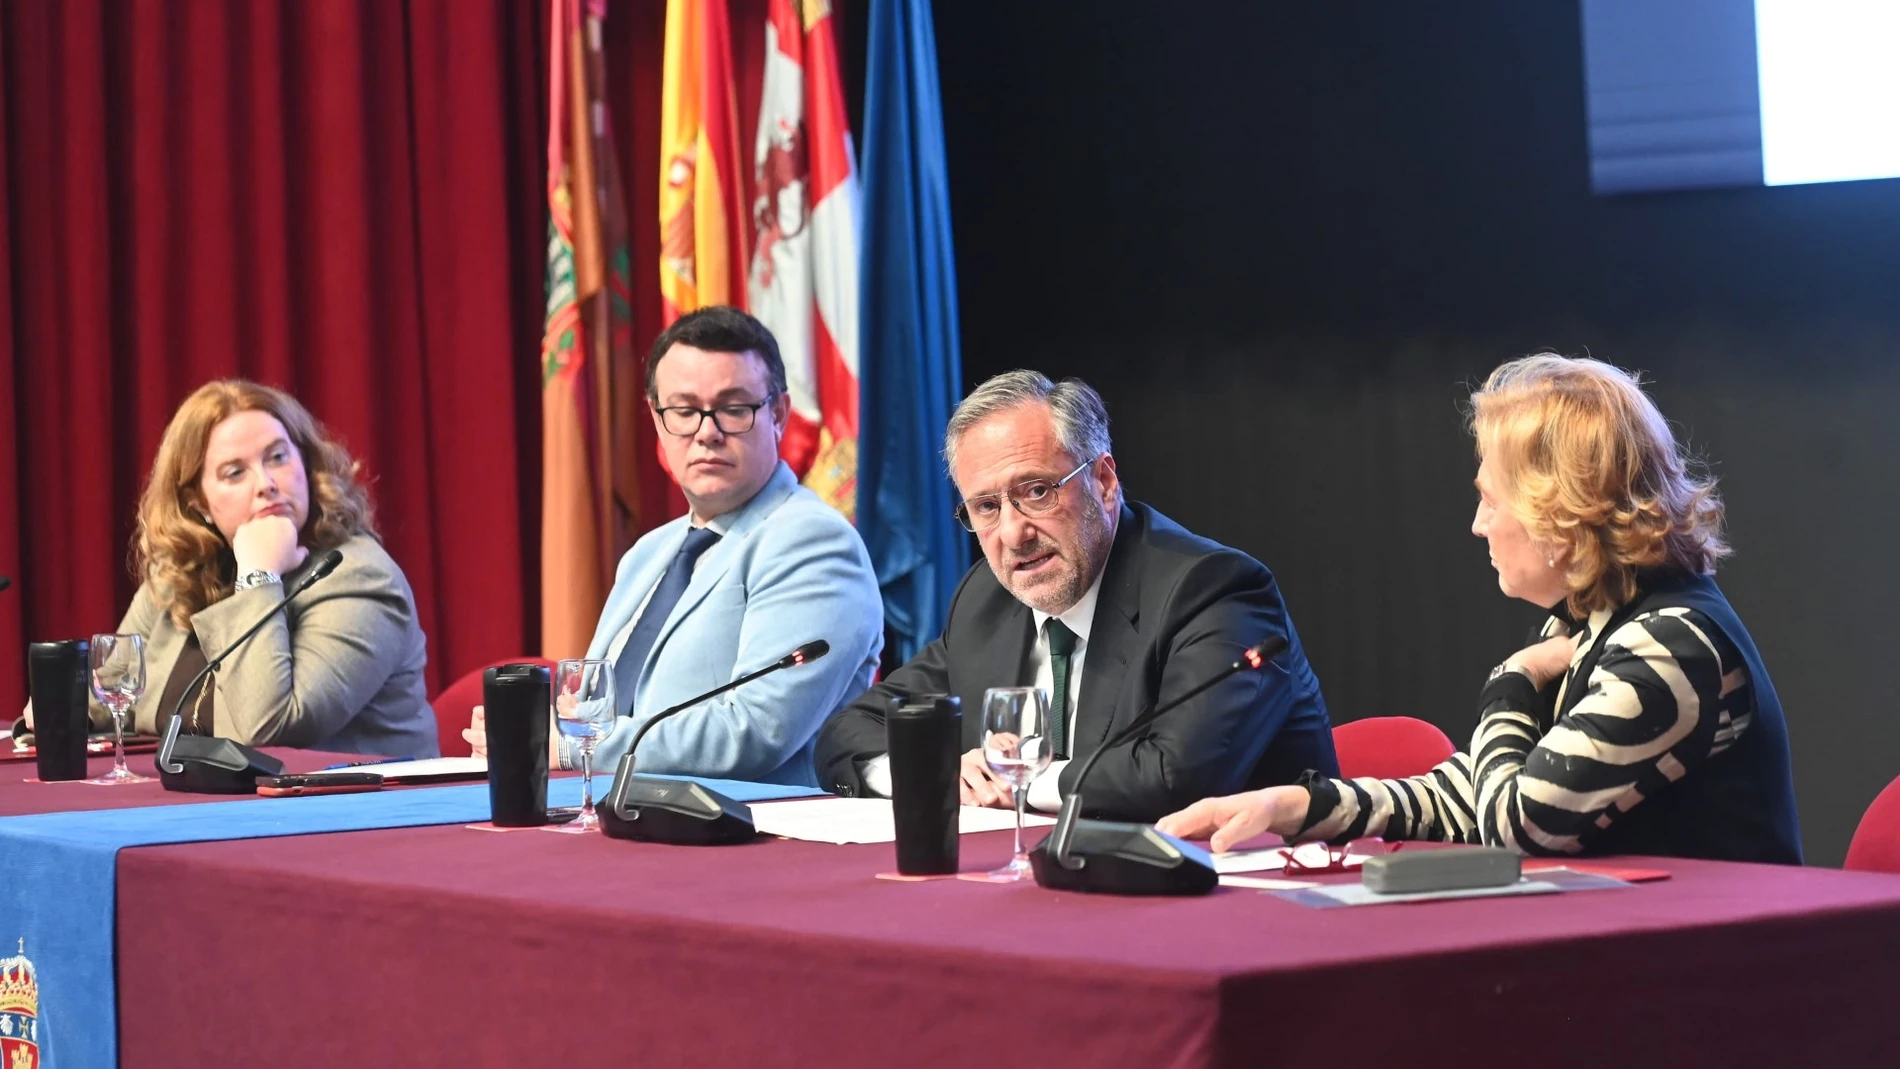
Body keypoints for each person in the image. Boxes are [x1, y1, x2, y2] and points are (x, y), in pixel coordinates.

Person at [1159, 354, 1802, 864]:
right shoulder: (1600, 624)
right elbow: (1471, 793)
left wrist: (1511, 685)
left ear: (1560, 512)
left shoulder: (1669, 646)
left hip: (1712, 989)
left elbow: (1517, 826)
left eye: (1491, 501)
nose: (1476, 525)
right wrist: (1292, 806)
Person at [813, 371, 1335, 822]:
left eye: (1037, 491)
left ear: (1104, 481)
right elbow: (848, 731)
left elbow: (1178, 778)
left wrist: (1016, 780)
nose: (1014, 533)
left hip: (1233, 899)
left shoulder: (1213, 591)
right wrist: (927, 772)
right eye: (987, 507)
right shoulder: (986, 601)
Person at [465, 307, 882, 786]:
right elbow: (596, 709)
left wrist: (563, 744)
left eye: (733, 408)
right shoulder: (649, 553)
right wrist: (543, 725)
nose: (707, 431)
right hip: (620, 820)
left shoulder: (812, 542)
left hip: (752, 837)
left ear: (779, 415)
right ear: (657, 420)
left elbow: (757, 730)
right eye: (684, 411)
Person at [16, 380, 436, 758]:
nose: (265, 483)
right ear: (198, 503)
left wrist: (258, 575)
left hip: (353, 826)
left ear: (305, 465)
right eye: (235, 472)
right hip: (196, 815)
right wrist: (58, 710)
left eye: (277, 457)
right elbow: (108, 700)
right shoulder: (176, 577)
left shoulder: (359, 578)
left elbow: (268, 730)